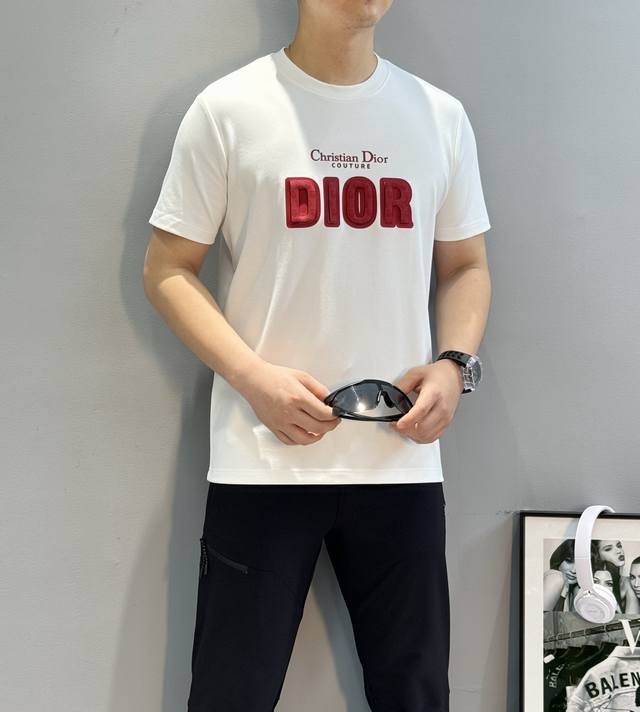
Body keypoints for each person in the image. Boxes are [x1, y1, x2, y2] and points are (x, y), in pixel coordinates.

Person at [143, 1, 492, 709]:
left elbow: (466, 266)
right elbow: (166, 269)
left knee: (417, 695)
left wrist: (454, 365)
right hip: (262, 459)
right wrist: (251, 378)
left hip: (400, 460)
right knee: (230, 696)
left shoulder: (440, 117)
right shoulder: (229, 110)